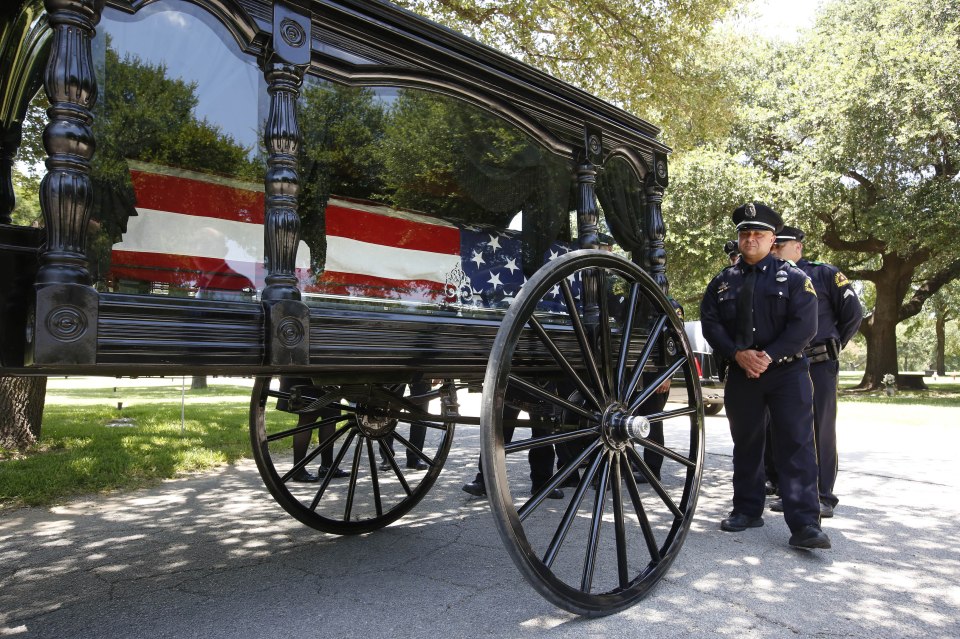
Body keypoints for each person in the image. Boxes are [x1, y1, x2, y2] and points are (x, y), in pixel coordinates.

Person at [700, 202, 829, 550]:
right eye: (745, 234)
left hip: (787, 372)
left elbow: (806, 326)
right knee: (747, 444)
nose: (750, 239)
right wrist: (737, 354)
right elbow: (711, 324)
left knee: (796, 445)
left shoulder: (796, 279)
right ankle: (746, 509)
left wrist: (768, 355)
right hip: (743, 374)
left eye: (758, 234)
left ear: (772, 240)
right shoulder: (722, 282)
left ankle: (805, 524)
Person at [770, 226, 863, 517]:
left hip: (820, 364)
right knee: (787, 428)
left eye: (777, 246)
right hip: (785, 364)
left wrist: (834, 345)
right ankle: (794, 493)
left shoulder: (824, 274)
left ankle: (823, 495)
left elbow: (853, 313)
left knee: (820, 428)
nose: (771, 251)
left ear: (796, 247)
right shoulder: (771, 279)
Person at [281, 377, 349, 482]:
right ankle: (298, 470)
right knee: (308, 416)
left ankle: (327, 466)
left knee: (331, 413)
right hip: (307, 373)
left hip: (320, 373)